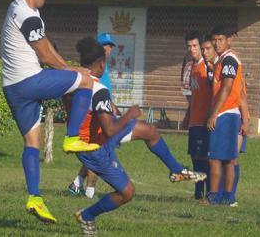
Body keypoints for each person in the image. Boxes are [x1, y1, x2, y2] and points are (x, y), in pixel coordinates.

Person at [71, 37, 206, 235]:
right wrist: (129, 115)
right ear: (101, 63)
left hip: (99, 135)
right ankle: (87, 215)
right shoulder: (97, 89)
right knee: (127, 192)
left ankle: (177, 171)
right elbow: (109, 129)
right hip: (96, 146)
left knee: (150, 131)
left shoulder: (76, 79)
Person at [0, 0, 100, 223]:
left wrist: (67, 68)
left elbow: (46, 48)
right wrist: (71, 70)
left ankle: (34, 198)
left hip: (12, 87)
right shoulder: (26, 14)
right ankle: (72, 137)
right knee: (85, 81)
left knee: (33, 142)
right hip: (28, 81)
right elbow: (45, 55)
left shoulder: (21, 9)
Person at [67, 32, 118, 199]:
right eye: (106, 46)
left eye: (111, 46)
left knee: (97, 153)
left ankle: (77, 183)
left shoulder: (103, 68)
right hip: (95, 117)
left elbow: (105, 95)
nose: (109, 49)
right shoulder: (95, 70)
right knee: (97, 153)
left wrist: (112, 107)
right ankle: (89, 193)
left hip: (102, 112)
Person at [206, 27, 244, 206]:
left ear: (229, 40)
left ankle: (214, 197)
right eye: (215, 39)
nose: (217, 43)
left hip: (225, 113)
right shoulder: (222, 59)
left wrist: (214, 113)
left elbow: (227, 87)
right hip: (228, 112)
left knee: (215, 158)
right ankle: (228, 198)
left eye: (220, 39)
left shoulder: (229, 59)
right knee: (228, 159)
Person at [184, 31, 217, 202]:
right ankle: (198, 194)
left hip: (205, 120)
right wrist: (188, 114)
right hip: (194, 120)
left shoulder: (207, 66)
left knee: (205, 158)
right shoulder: (192, 67)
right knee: (195, 158)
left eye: (195, 46)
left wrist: (211, 115)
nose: (193, 49)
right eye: (189, 46)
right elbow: (193, 94)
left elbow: (214, 92)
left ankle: (210, 194)